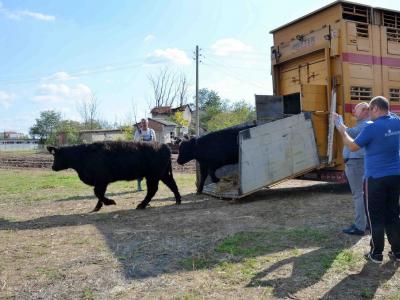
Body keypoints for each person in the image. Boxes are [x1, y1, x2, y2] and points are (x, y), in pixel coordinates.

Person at [334, 96, 400, 263]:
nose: (369, 113)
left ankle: (376, 254)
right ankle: (398, 252)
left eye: (370, 109)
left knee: (375, 216)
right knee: (393, 214)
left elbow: (353, 146)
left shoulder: (372, 128)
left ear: (376, 108)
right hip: (396, 176)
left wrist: (342, 131)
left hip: (376, 178)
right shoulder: (397, 122)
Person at [333, 102, 369, 236]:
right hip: (356, 163)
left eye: (357, 110)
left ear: (365, 111)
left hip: (356, 163)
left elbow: (346, 132)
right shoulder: (363, 125)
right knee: (361, 195)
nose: (354, 111)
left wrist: (338, 120)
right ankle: (364, 224)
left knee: (358, 195)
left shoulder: (365, 125)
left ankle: (360, 227)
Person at [133, 118, 156, 191]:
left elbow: (155, 141)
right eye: (142, 123)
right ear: (140, 124)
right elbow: (135, 143)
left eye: (145, 123)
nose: (144, 124)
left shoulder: (151, 131)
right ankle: (139, 186)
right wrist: (140, 137)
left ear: (147, 123)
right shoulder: (137, 132)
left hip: (150, 154)